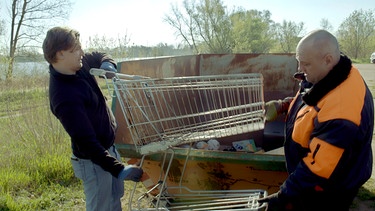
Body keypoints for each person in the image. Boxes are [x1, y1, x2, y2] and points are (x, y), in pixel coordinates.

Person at [260, 29, 374, 211]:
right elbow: (313, 101)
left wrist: (284, 196)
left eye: (305, 64)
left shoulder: (342, 111)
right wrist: (284, 105)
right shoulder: (334, 72)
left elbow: (318, 169)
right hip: (320, 176)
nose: (300, 70)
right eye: (299, 62)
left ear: (327, 59)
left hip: (328, 189)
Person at [42, 26, 144, 211]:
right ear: (61, 53)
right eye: (76, 49)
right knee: (100, 206)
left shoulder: (79, 66)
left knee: (114, 200)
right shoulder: (63, 96)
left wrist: (107, 64)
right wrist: (118, 168)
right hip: (93, 161)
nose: (81, 52)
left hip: (108, 148)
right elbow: (87, 142)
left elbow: (99, 55)